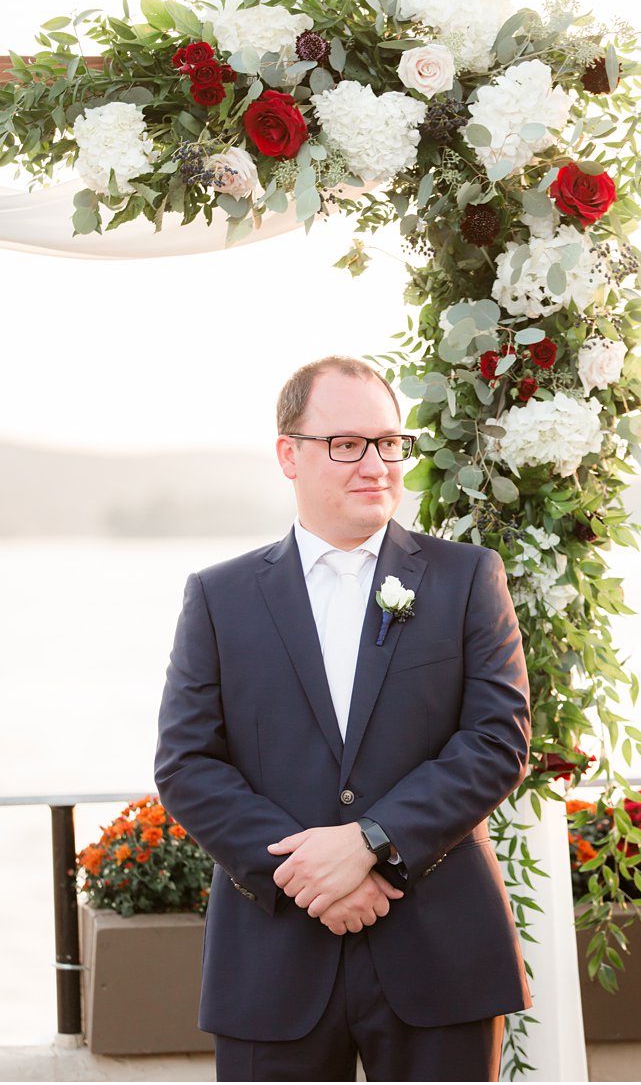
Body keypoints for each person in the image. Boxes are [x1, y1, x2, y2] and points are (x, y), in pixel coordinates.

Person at [154, 356, 533, 1082]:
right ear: (287, 454)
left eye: (389, 442)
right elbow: (187, 764)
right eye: (347, 443)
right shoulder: (219, 596)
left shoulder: (466, 579)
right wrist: (309, 872)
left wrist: (371, 841)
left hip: (438, 956)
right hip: (272, 964)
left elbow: (496, 740)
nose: (377, 464)